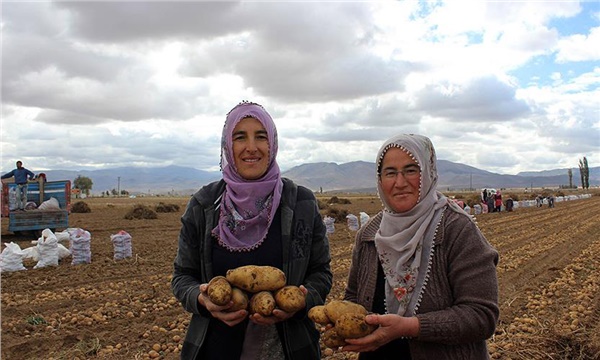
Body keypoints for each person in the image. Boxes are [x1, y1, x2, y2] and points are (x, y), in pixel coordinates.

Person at [171, 101, 333, 360]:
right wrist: (203, 300)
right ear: (227, 145)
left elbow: (321, 272)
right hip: (215, 349)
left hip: (289, 350)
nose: (251, 147)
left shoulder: (300, 202)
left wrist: (302, 301)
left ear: (272, 144)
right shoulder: (203, 205)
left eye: (261, 136)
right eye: (240, 137)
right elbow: (182, 277)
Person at [343, 134, 499, 359]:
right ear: (379, 180)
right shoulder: (370, 234)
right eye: (390, 172)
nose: (400, 182)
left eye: (410, 170)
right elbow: (353, 296)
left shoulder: (457, 229)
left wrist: (410, 327)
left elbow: (481, 316)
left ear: (428, 173)